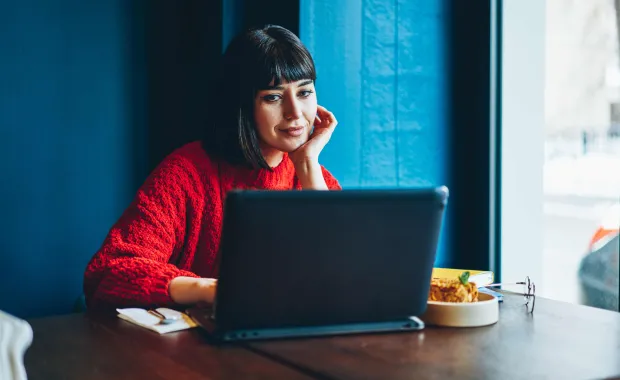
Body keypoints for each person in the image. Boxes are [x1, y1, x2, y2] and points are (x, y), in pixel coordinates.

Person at [83, 25, 341, 310]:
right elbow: (108, 272)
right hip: (189, 347)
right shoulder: (186, 173)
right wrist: (211, 289)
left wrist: (307, 164)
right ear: (242, 104)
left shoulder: (316, 178)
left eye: (304, 93)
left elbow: (342, 279)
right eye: (273, 97)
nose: (295, 113)